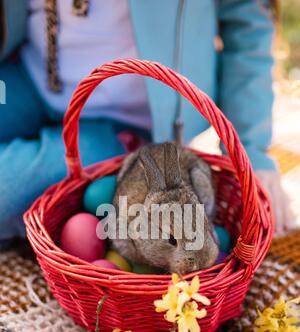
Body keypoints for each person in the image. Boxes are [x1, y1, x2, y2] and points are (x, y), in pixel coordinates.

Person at [0, 0, 292, 246]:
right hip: (27, 80)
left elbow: (247, 18)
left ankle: (127, 159)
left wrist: (249, 148)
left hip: (125, 122)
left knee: (7, 190)